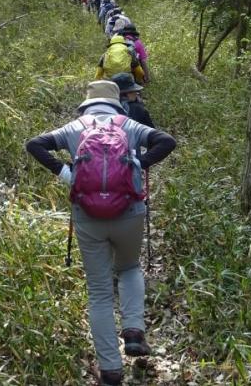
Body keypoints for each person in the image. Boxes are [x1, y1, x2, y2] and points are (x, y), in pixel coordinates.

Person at [25, 81, 176, 386]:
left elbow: (34, 144)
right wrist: (138, 163)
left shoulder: (74, 127)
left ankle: (110, 370)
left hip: (88, 216)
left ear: (88, 103)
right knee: (130, 267)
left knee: (99, 291)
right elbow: (167, 141)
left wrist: (67, 174)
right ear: (116, 102)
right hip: (129, 213)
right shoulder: (129, 123)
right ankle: (133, 331)